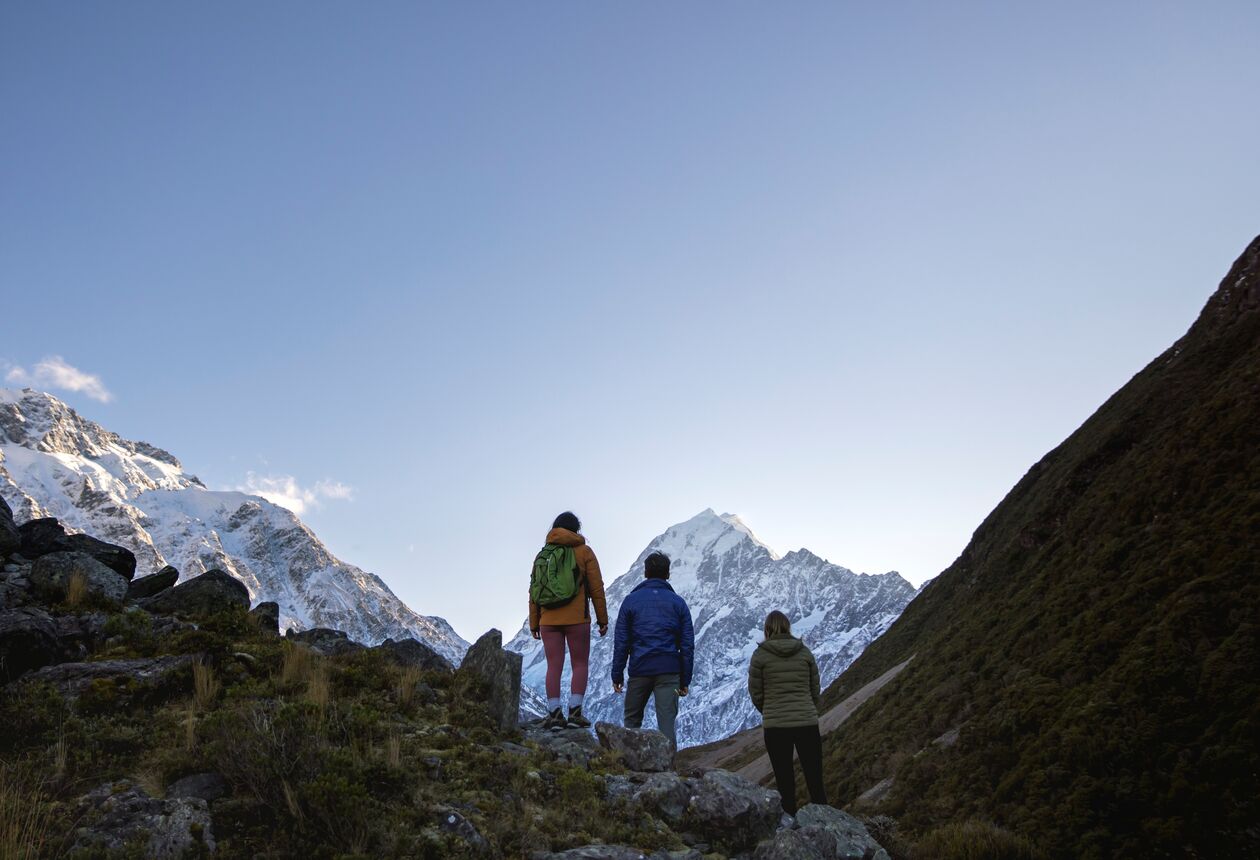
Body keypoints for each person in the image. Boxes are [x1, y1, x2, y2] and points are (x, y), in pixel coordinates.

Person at [529, 511, 608, 730]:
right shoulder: (584, 552)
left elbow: (534, 589)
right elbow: (597, 588)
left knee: (553, 665)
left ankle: (554, 715)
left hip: (548, 619)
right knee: (579, 663)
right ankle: (575, 713)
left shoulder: (543, 554)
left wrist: (534, 622)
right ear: (576, 530)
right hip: (576, 618)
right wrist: (602, 619)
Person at [611, 550, 694, 750]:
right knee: (666, 725)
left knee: (631, 721)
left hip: (640, 669)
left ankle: (628, 767)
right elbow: (687, 645)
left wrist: (617, 674)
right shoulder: (678, 603)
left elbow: (622, 641)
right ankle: (670, 771)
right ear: (668, 574)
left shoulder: (631, 601)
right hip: (669, 671)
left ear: (645, 573)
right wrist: (685, 680)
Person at [749, 610, 828, 820]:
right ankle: (825, 823)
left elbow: (756, 693)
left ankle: (790, 826)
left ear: (767, 629)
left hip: (776, 727)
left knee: (784, 779)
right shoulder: (804, 652)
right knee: (814, 777)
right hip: (807, 723)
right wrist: (808, 709)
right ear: (788, 627)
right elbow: (815, 689)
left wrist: (769, 711)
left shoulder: (760, 655)